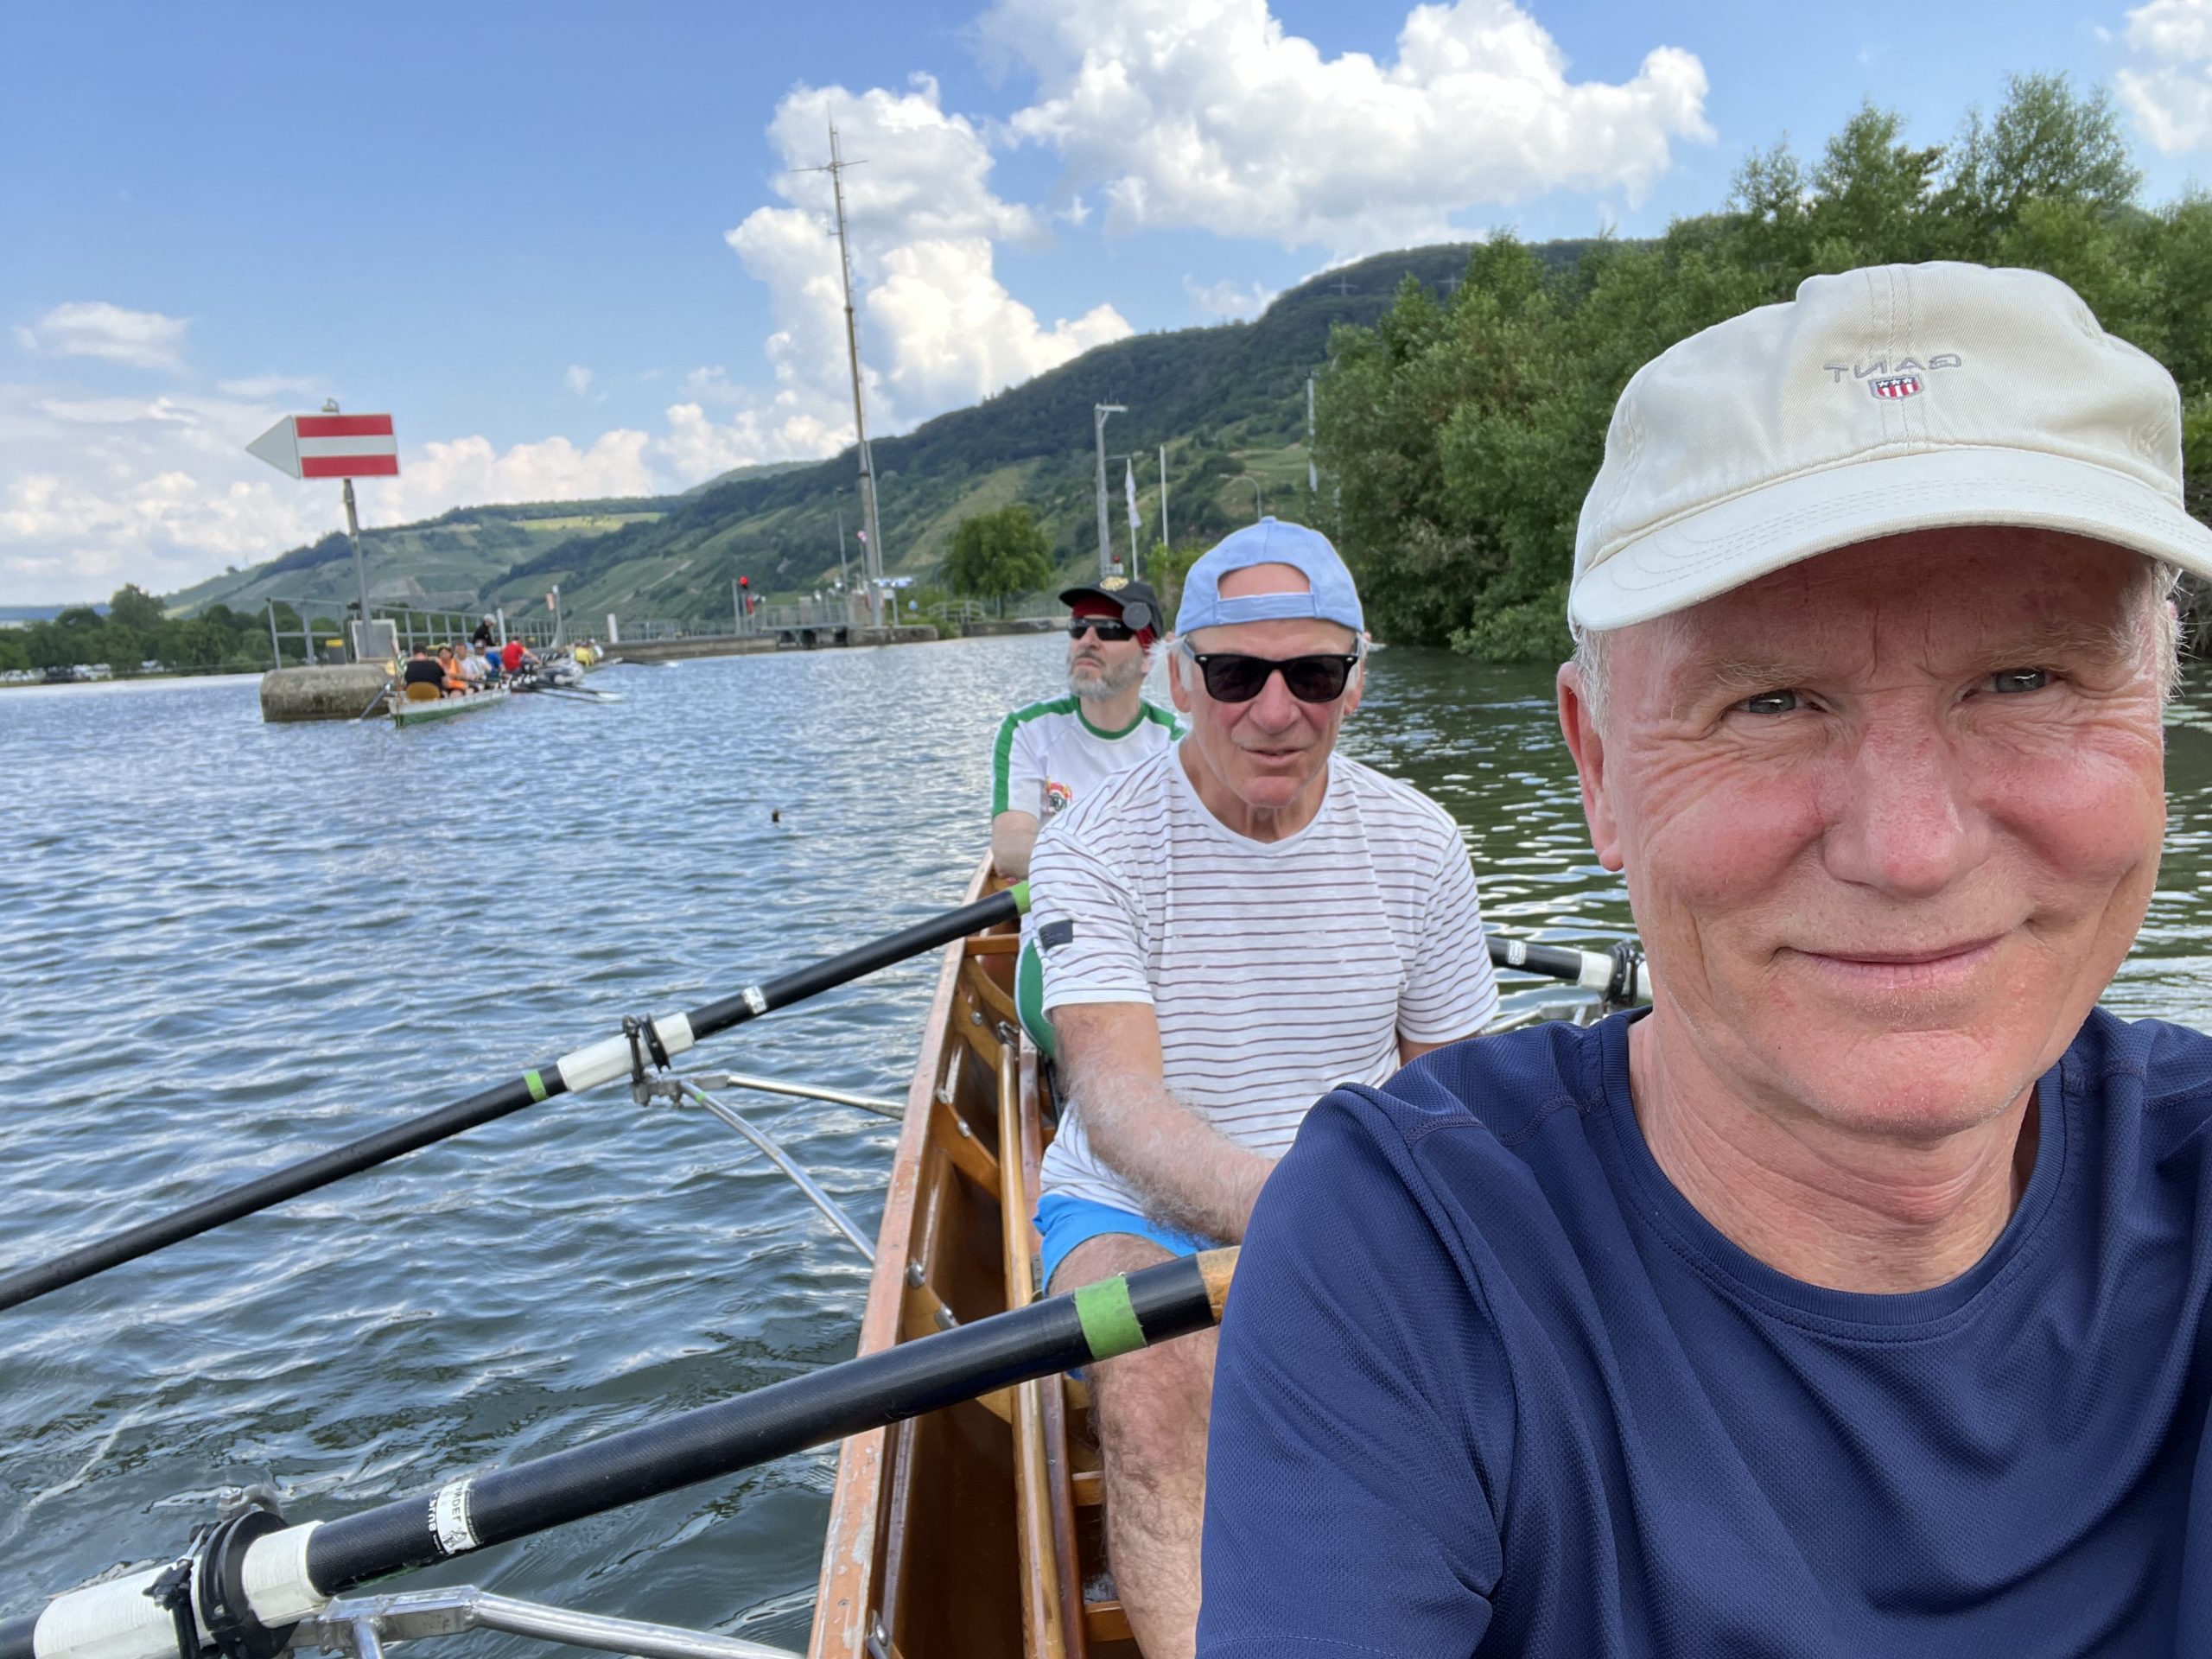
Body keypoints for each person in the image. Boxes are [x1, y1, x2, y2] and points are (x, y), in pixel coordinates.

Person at [1198, 264, 2212, 1656]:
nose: (1910, 849)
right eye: (1772, 701)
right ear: (1598, 770)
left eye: (2026, 681)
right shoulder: (1404, 1253)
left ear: (2156, 720)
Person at [1028, 520, 1500, 1659]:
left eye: (1315, 674)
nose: (1276, 711)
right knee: (1157, 1370)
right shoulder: (1091, 845)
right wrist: (1306, 1214)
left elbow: (1453, 1096)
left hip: (1350, 1209)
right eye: (1238, 674)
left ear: (1357, 681)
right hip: (1129, 1210)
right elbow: (1116, 1103)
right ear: (1183, 680)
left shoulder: (1422, 844)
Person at [993, 576, 1179, 1052]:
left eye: (1110, 630)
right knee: (1094, 1041)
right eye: (1078, 627)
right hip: (1061, 917)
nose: (1088, 640)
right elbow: (1011, 849)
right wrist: (1107, 869)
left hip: (1157, 928)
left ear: (1149, 656)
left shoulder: (1179, 744)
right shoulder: (1029, 730)